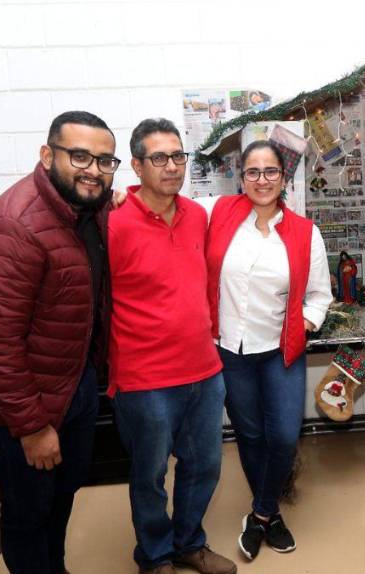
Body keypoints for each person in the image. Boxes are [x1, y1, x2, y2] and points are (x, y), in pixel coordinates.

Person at [0, 111, 119, 573]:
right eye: (80, 156)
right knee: (28, 512)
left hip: (71, 382)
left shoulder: (86, 207)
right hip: (18, 405)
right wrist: (32, 428)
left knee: (62, 495)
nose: (93, 170)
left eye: (104, 161)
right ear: (47, 155)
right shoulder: (12, 227)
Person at [108, 118, 236, 574]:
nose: (171, 166)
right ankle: (155, 555)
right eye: (158, 158)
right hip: (144, 378)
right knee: (150, 476)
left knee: (205, 466)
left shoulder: (196, 216)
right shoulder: (112, 221)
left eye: (178, 156)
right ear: (137, 165)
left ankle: (188, 544)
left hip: (204, 369)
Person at [195, 141, 332, 560]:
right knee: (251, 435)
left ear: (283, 177)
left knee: (285, 436)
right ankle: (269, 516)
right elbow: (169, 207)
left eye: (270, 171)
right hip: (229, 350)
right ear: (241, 178)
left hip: (278, 349)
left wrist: (305, 323)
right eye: (252, 172)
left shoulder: (305, 232)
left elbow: (319, 295)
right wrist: (125, 197)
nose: (262, 180)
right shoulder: (217, 212)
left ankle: (260, 514)